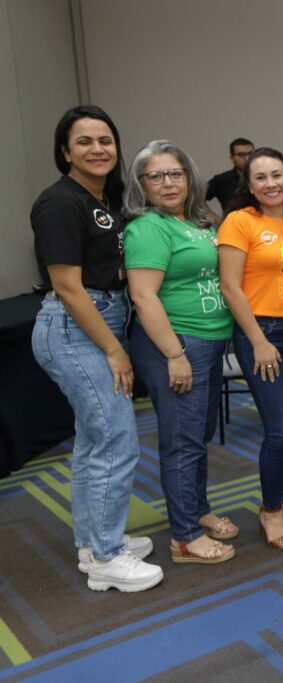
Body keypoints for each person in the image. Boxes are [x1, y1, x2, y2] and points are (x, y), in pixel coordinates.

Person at [30, 105, 163, 592]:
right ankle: (107, 559)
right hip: (75, 328)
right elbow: (67, 287)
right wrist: (114, 350)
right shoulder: (60, 202)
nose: (97, 149)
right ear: (65, 150)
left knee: (93, 440)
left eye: (105, 140)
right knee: (115, 439)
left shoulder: (98, 199)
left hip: (95, 321)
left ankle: (93, 543)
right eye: (84, 141)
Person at [124, 140, 237, 564]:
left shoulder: (196, 220)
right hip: (176, 345)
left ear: (190, 178)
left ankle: (197, 509)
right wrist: (174, 353)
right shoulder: (147, 228)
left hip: (206, 343)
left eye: (176, 173)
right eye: (155, 175)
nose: (167, 183)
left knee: (197, 438)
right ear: (141, 184)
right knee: (181, 442)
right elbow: (143, 296)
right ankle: (185, 537)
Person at [219, 148, 283, 550]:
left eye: (277, 175)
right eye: (260, 177)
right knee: (277, 429)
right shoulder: (240, 222)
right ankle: (270, 510)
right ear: (249, 185)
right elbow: (230, 286)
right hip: (262, 333)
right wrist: (258, 341)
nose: (270, 183)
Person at [204, 137, 255, 223]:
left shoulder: (264, 178)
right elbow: (195, 197)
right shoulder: (221, 180)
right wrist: (217, 219)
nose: (247, 158)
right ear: (232, 158)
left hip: (262, 228)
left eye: (251, 154)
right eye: (241, 155)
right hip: (233, 229)